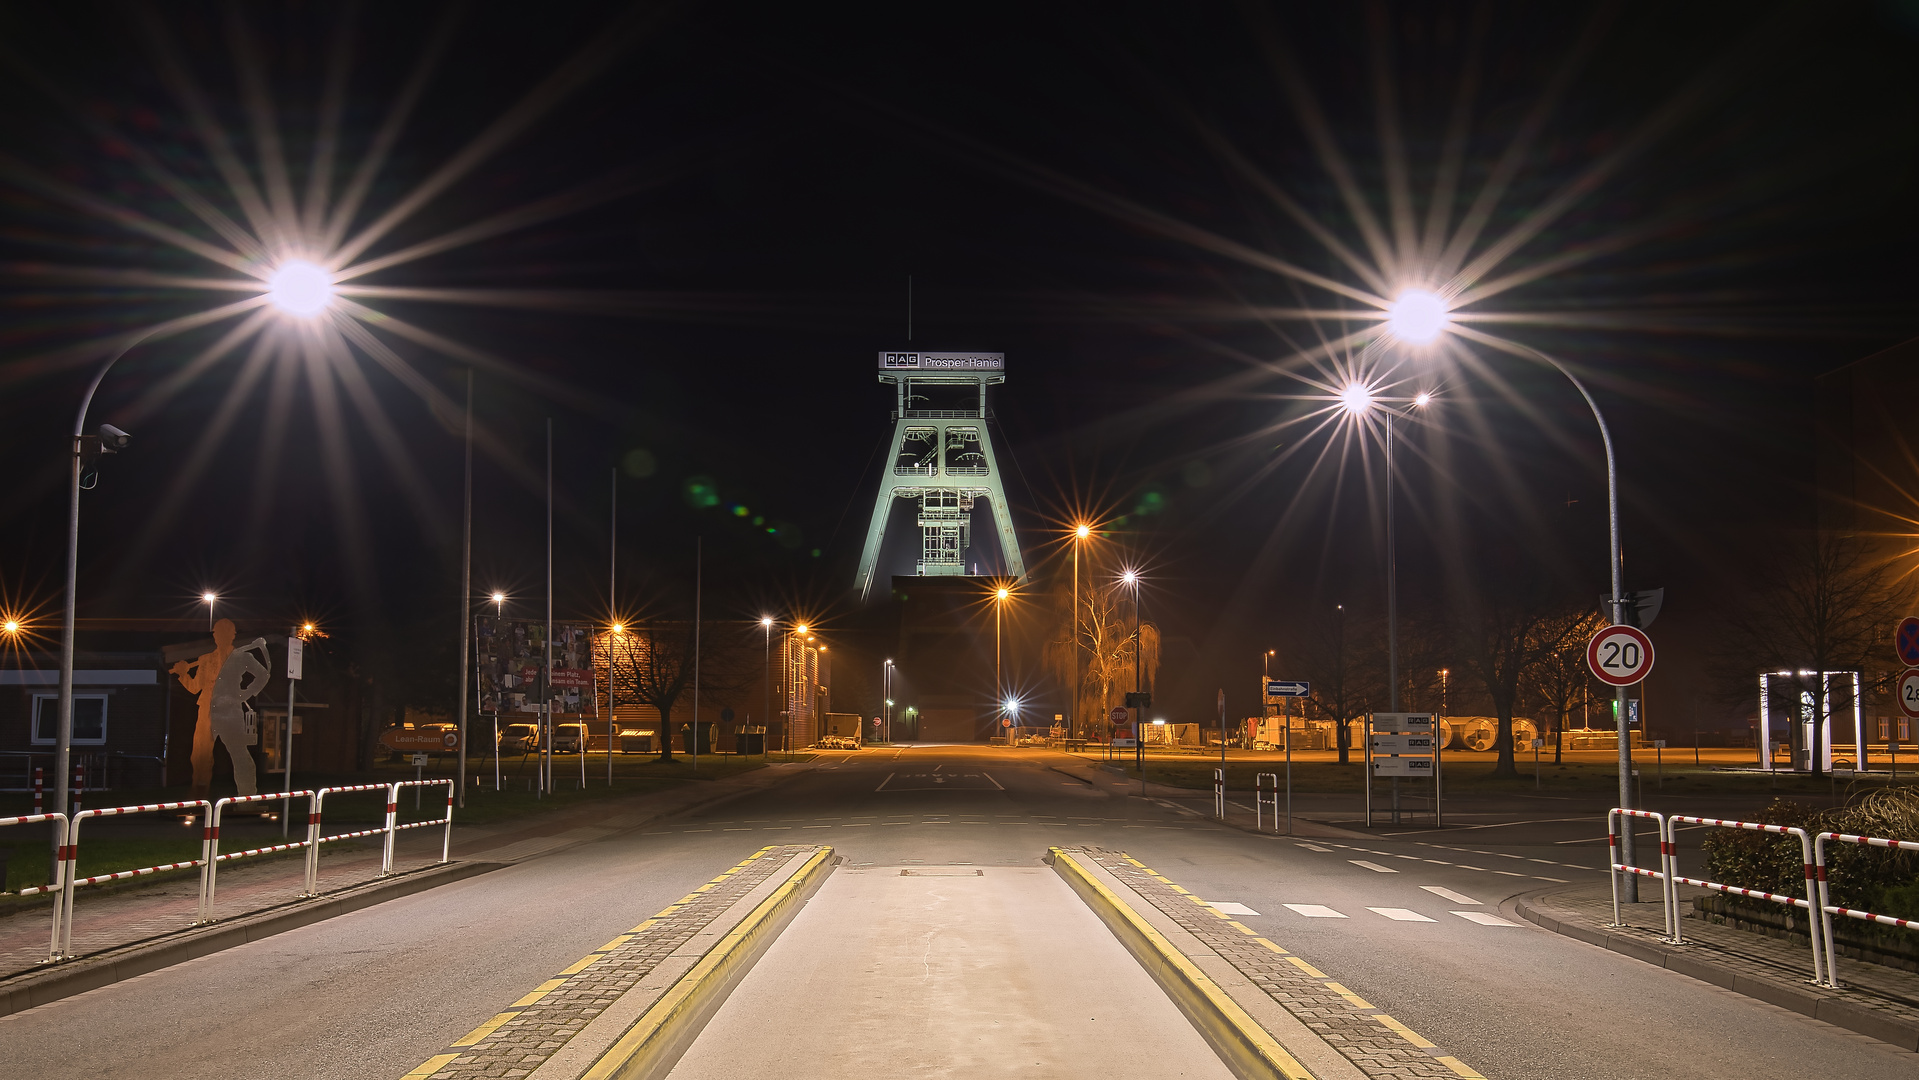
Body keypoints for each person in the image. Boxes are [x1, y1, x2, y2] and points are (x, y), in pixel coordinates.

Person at [171, 619, 270, 797]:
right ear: (214, 635)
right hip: (206, 711)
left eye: (225, 632)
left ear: (233, 635)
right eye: (217, 632)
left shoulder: (242, 657)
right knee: (200, 757)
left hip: (231, 711)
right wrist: (183, 673)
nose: (220, 636)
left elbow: (263, 674)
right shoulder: (206, 660)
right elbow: (195, 687)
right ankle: (198, 799)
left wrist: (245, 693)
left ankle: (247, 799)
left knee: (240, 756)